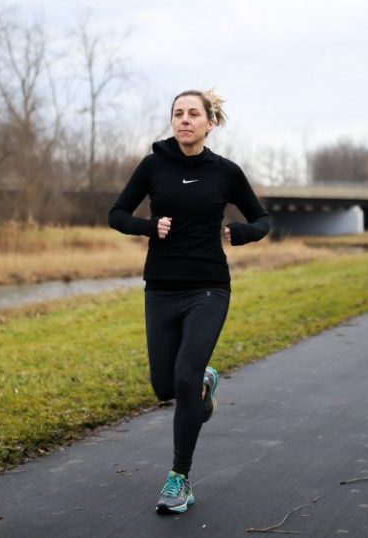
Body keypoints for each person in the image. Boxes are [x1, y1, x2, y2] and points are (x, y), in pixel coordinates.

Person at [108, 89, 270, 514]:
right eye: (178, 114)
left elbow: (262, 219)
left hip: (209, 288)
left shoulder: (226, 172)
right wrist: (148, 226)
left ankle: (179, 479)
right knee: (164, 387)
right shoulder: (153, 166)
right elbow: (117, 213)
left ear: (208, 123)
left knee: (181, 379)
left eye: (193, 114)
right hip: (161, 288)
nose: (184, 120)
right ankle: (203, 383)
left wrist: (242, 232)